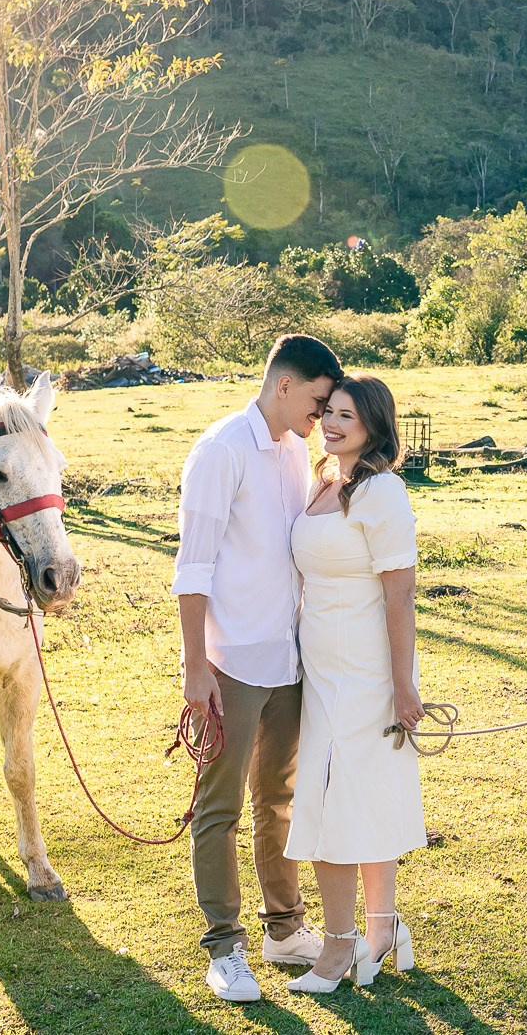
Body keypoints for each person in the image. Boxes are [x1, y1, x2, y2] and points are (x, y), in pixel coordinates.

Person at [171, 333, 343, 1002]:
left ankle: (282, 926)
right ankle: (224, 947)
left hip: (286, 657)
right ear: (284, 387)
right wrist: (196, 667)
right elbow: (193, 567)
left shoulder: (295, 450)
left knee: (278, 797)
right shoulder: (220, 451)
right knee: (219, 806)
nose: (324, 416)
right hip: (230, 662)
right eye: (318, 401)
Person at [283, 372, 426, 994]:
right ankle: (382, 927)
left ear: (373, 426)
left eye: (349, 415)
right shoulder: (322, 479)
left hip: (367, 674)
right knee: (360, 795)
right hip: (320, 671)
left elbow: (400, 597)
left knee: (334, 799)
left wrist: (403, 688)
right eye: (330, 411)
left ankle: (340, 946)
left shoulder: (382, 493)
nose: (334, 423)